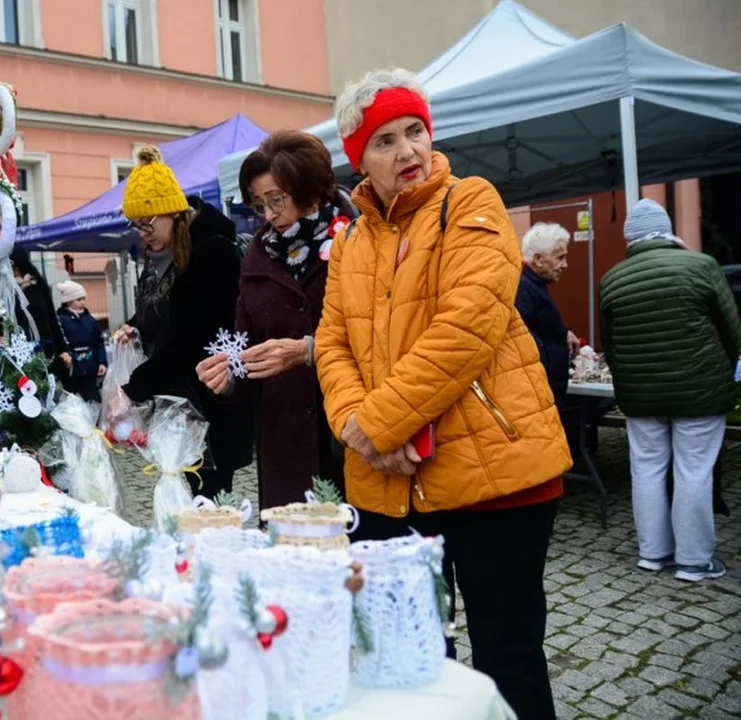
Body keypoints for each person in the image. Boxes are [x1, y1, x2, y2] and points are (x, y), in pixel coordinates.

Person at [315, 67, 571, 719]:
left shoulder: (471, 201)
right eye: (385, 140)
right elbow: (331, 345)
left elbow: (467, 326)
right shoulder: (348, 244)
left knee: (506, 654)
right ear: (358, 159)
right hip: (385, 481)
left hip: (494, 477)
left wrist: (376, 428)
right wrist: (356, 427)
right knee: (403, 652)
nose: (407, 150)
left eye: (415, 131)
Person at [195, 130, 355, 508]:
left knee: (352, 557)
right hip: (284, 444)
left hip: (346, 433)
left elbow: (381, 337)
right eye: (258, 203)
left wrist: (309, 351)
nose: (268, 215)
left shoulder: (356, 238)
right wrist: (229, 375)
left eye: (276, 200)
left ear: (310, 191)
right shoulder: (257, 255)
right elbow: (247, 345)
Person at [600, 198, 741, 582]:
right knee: (693, 471)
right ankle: (694, 561)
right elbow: (732, 331)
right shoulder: (702, 266)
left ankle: (652, 553)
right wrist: (726, 370)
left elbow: (610, 345)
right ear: (667, 231)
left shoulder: (612, 279)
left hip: (641, 395)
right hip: (700, 388)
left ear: (631, 238)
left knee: (646, 469)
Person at [113, 145, 252, 498]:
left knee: (207, 506)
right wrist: (137, 326)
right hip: (180, 406)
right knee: (183, 498)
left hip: (209, 407)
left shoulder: (212, 253)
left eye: (148, 222)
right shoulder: (167, 255)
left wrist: (132, 389)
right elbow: (167, 313)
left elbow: (191, 339)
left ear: (173, 213)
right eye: (135, 224)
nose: (142, 232)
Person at [516, 222, 581, 406]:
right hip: (538, 394)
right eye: (560, 257)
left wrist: (563, 332)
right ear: (538, 259)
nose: (565, 265)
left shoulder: (533, 285)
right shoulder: (524, 288)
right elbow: (524, 339)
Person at [9, 245, 71, 376]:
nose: (12, 270)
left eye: (14, 266)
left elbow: (51, 316)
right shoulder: (5, 287)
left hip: (45, 347)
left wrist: (62, 349)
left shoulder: (36, 282)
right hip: (20, 351)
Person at [55, 280, 107, 402]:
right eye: (79, 299)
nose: (83, 302)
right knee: (72, 400)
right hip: (71, 368)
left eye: (84, 298)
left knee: (93, 399)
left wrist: (102, 362)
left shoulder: (90, 320)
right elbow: (59, 342)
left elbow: (98, 343)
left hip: (90, 367)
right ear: (68, 301)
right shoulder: (60, 320)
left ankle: (94, 419)